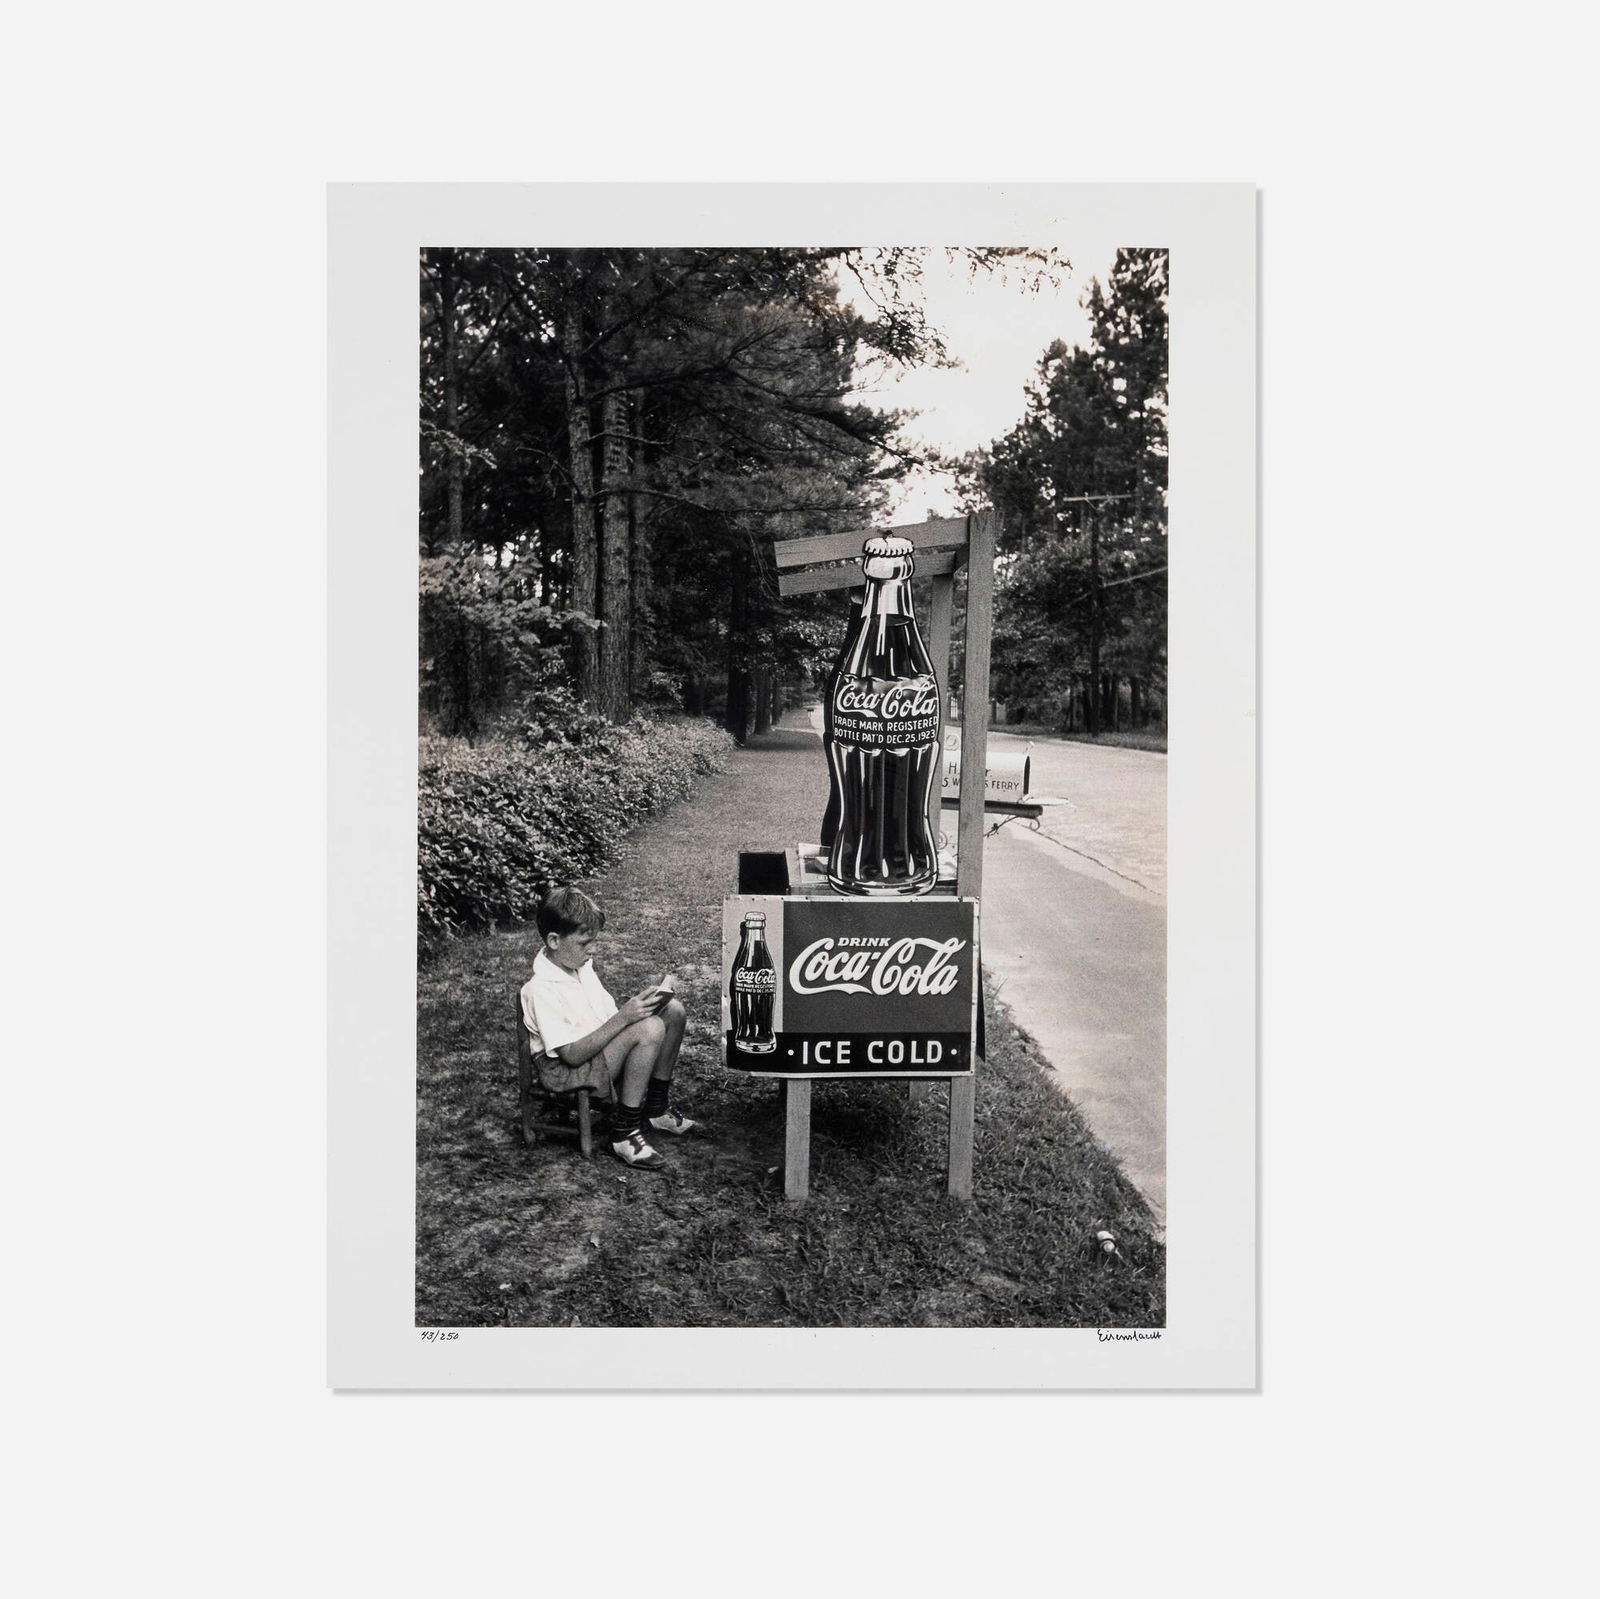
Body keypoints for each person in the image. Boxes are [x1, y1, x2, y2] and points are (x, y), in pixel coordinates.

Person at [519, 886, 696, 1170]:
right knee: (649, 1029)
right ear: (554, 940)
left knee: (672, 1012)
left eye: (594, 941)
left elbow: (605, 1020)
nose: (593, 949)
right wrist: (627, 1018)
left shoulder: (580, 968)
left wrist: (643, 1006)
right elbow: (572, 1056)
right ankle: (624, 1133)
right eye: (584, 943)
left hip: (595, 1054)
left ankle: (656, 1109)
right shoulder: (540, 989)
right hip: (569, 1072)